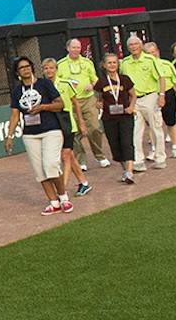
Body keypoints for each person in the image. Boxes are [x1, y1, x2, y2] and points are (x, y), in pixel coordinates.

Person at [6, 56, 73, 214]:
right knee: (39, 170)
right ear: (17, 72)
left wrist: (43, 107)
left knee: (51, 164)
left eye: (27, 66)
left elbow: (60, 104)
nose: (25, 69)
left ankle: (63, 198)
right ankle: (53, 202)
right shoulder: (17, 91)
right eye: (21, 68)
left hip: (51, 129)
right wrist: (9, 136)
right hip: (30, 133)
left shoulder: (44, 84)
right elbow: (15, 115)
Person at [40, 58, 92, 195]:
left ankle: (62, 190)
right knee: (69, 156)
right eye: (46, 68)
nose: (49, 71)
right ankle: (83, 182)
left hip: (67, 123)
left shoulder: (65, 84)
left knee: (65, 156)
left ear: (56, 69)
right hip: (52, 125)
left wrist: (81, 122)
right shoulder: (41, 87)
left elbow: (76, 103)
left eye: (51, 68)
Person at [120, 34, 167, 170]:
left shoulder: (150, 59)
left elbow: (161, 77)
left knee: (155, 127)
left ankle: (160, 158)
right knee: (135, 131)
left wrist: (161, 95)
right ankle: (138, 160)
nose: (133, 47)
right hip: (134, 100)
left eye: (136, 44)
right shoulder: (125, 63)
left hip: (150, 97)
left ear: (141, 45)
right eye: (131, 45)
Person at [54, 38, 104, 167]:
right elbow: (57, 82)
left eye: (78, 47)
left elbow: (95, 79)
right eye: (73, 47)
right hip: (70, 102)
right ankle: (81, 160)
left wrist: (92, 85)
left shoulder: (87, 62)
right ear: (68, 48)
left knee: (94, 128)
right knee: (74, 133)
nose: (76, 50)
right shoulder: (60, 64)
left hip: (88, 99)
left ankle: (99, 155)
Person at [96, 52, 137, 183]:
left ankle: (130, 172)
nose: (112, 65)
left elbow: (133, 95)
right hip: (109, 118)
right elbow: (98, 98)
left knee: (127, 143)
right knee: (115, 145)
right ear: (104, 65)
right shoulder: (101, 82)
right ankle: (125, 170)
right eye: (109, 63)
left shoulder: (124, 79)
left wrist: (131, 107)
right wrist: (98, 104)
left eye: (114, 62)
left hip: (125, 116)